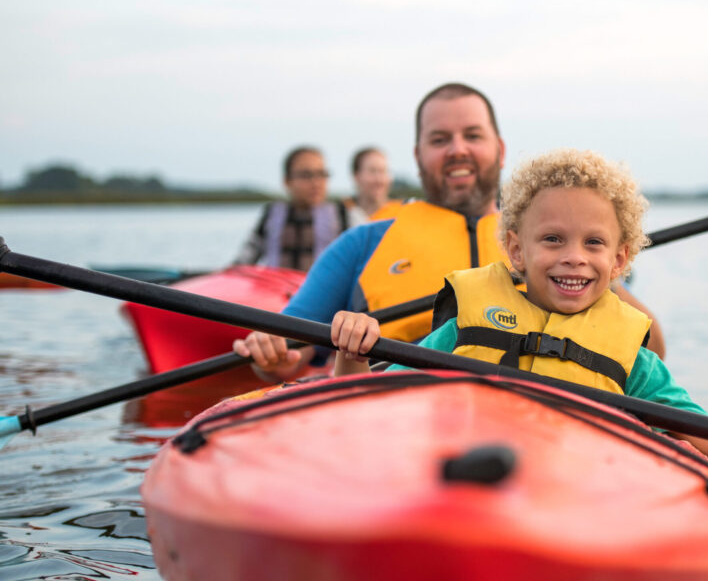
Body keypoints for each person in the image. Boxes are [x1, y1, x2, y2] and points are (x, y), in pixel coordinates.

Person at [331, 148, 708, 485]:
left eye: (593, 243)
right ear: (516, 249)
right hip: (465, 477)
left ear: (619, 260)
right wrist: (353, 355)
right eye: (552, 239)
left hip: (579, 495)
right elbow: (367, 406)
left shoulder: (632, 360)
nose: (573, 256)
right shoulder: (466, 327)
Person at [233, 83, 664, 381]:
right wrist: (271, 360)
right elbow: (291, 357)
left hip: (533, 411)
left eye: (472, 135)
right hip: (395, 413)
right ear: (419, 155)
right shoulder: (362, 243)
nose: (457, 148)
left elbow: (652, 350)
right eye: (440, 139)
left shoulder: (561, 246)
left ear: (500, 149)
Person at [233, 146, 370, 271]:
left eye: (321, 174)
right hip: (277, 292)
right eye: (306, 175)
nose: (316, 183)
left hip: (326, 294)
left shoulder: (346, 214)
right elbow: (244, 260)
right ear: (287, 181)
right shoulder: (272, 214)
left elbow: (368, 260)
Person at [343, 147, 399, 219]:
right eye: (372, 171)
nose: (379, 180)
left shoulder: (401, 212)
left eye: (383, 171)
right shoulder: (339, 215)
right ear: (356, 176)